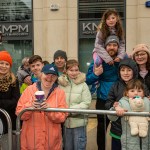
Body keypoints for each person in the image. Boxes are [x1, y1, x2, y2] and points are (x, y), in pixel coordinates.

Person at [16, 63, 68, 150]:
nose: (49, 78)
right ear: (41, 74)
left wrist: (50, 110)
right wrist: (30, 106)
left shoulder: (60, 93)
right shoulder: (29, 90)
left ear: (56, 78)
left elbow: (62, 117)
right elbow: (19, 113)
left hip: (52, 144)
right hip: (31, 143)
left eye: (53, 76)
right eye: (47, 74)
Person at [86, 35, 123, 150]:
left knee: (119, 130)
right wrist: (96, 73)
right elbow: (88, 79)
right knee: (101, 129)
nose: (112, 47)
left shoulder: (122, 61)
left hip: (120, 101)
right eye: (109, 45)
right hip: (102, 99)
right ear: (105, 47)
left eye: (114, 45)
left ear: (118, 47)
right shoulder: (98, 61)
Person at [105, 58, 140, 150]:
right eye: (123, 70)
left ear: (134, 71)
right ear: (119, 72)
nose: (126, 73)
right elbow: (108, 102)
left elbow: (144, 100)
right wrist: (114, 105)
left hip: (136, 129)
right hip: (117, 130)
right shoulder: (115, 85)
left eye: (129, 70)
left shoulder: (140, 85)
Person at [58, 59, 92, 150]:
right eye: (71, 70)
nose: (74, 73)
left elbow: (86, 103)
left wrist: (69, 110)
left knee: (79, 147)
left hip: (79, 124)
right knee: (67, 147)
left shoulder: (83, 85)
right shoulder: (61, 84)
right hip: (65, 124)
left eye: (76, 70)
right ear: (66, 71)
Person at [113, 79, 150, 150]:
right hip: (129, 141)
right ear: (127, 93)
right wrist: (116, 108)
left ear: (143, 93)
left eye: (139, 91)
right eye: (132, 91)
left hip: (147, 141)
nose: (136, 93)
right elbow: (111, 117)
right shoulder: (122, 102)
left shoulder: (147, 101)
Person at [0, 51, 20, 134]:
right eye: (1, 63)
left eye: (7, 64)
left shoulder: (14, 80)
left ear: (10, 66)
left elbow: (15, 101)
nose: (4, 66)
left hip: (9, 120)